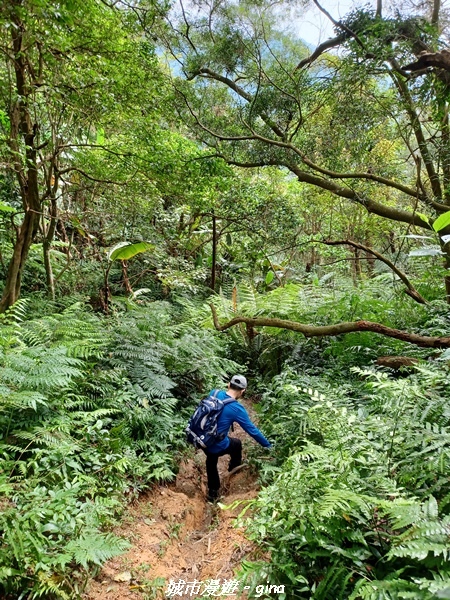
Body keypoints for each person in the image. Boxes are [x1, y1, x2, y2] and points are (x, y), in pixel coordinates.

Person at [203, 374, 272, 503]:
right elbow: (252, 431)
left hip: (202, 440)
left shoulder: (214, 392)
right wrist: (268, 446)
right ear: (242, 391)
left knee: (211, 459)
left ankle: (213, 492)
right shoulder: (237, 408)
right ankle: (233, 473)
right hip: (217, 444)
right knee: (236, 444)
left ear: (228, 385)